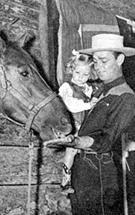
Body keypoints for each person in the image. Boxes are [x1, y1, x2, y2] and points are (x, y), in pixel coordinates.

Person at [44, 33, 135, 215]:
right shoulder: (97, 91)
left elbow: (106, 141)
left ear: (120, 59)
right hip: (82, 170)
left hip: (100, 172)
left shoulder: (126, 96)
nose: (98, 66)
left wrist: (75, 141)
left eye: (104, 60)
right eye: (95, 61)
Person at [58, 50, 99, 194]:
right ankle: (65, 182)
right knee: (71, 151)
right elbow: (69, 105)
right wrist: (89, 105)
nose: (81, 78)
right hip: (72, 124)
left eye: (86, 74)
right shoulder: (66, 87)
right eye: (77, 73)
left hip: (86, 125)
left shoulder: (90, 89)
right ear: (71, 70)